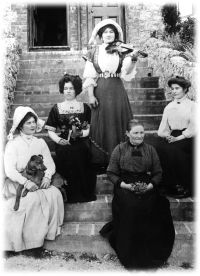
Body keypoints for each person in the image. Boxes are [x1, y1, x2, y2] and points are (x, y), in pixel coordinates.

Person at [100, 120, 175, 269]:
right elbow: (111, 172)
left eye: (142, 132)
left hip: (146, 183)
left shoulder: (150, 149)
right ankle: (130, 254)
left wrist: (149, 186)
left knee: (154, 205)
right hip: (124, 183)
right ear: (127, 134)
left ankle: (151, 252)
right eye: (135, 132)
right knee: (131, 206)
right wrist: (125, 185)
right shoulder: (119, 149)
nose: (139, 136)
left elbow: (158, 172)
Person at [3, 106, 64, 255]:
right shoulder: (13, 144)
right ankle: (30, 244)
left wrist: (48, 176)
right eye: (28, 123)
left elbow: (50, 164)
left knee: (54, 193)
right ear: (20, 125)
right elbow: (9, 170)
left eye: (34, 122)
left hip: (38, 180)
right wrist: (25, 182)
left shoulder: (40, 142)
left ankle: (44, 235)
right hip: (17, 182)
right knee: (32, 200)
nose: (32, 125)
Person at [83, 19, 138, 170]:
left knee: (118, 121)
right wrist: (91, 95)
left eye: (111, 32)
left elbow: (126, 72)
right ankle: (102, 160)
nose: (109, 34)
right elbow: (89, 75)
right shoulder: (94, 51)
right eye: (106, 32)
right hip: (100, 89)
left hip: (116, 89)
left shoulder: (122, 51)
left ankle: (121, 159)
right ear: (101, 35)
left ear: (116, 34)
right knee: (101, 123)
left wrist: (133, 58)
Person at [45, 74, 96, 203]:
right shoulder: (56, 108)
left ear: (77, 90)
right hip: (63, 142)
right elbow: (50, 130)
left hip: (81, 141)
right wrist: (58, 140)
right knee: (67, 152)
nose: (68, 91)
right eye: (66, 88)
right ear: (62, 89)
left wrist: (80, 134)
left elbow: (88, 129)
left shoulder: (85, 108)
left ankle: (83, 193)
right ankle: (69, 193)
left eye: (71, 88)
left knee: (81, 151)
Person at [157, 76, 195, 198]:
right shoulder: (168, 107)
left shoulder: (193, 106)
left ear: (185, 89)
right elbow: (163, 127)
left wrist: (178, 138)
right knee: (159, 148)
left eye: (177, 88)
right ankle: (169, 185)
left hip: (188, 137)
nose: (173, 91)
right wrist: (167, 136)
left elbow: (194, 127)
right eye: (172, 88)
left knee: (174, 150)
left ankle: (184, 186)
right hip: (172, 135)